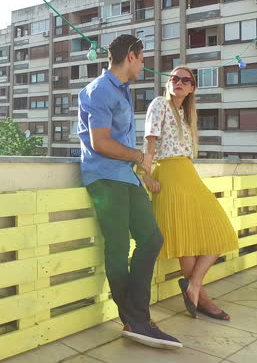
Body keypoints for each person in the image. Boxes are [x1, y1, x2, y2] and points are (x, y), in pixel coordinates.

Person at [77, 34, 182, 350]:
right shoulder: (98, 91)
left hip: (128, 178)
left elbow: (118, 142)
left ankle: (136, 316)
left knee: (152, 238)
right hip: (105, 178)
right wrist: (139, 156)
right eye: (143, 57)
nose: (145, 64)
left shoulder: (121, 92)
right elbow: (101, 143)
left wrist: (141, 173)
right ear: (132, 56)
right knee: (119, 244)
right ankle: (136, 320)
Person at [142, 66, 238, 321]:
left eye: (186, 80)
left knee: (220, 231)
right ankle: (202, 299)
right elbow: (150, 142)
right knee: (185, 240)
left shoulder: (187, 114)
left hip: (187, 173)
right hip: (169, 174)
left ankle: (193, 286)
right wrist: (146, 174)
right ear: (169, 82)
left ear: (193, 87)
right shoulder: (159, 104)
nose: (179, 83)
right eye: (174, 78)